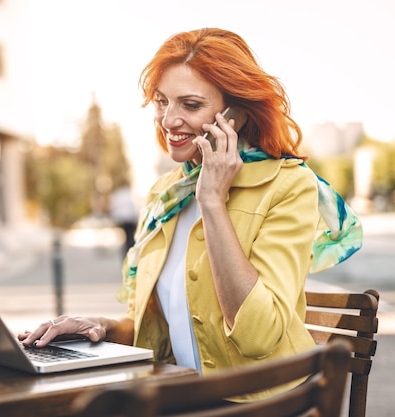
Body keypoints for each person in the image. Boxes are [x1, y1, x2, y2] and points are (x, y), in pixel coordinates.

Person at [18, 28, 362, 401]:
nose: (168, 120)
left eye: (191, 105)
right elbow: (161, 332)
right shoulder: (164, 195)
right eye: (162, 101)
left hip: (265, 405)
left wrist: (213, 202)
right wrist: (98, 326)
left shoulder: (288, 187)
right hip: (186, 396)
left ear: (237, 117)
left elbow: (258, 336)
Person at [109, 181, 139, 258]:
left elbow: (115, 207)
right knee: (130, 237)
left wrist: (116, 218)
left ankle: (128, 253)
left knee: (128, 237)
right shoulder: (129, 194)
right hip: (130, 219)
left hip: (123, 219)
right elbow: (134, 207)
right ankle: (130, 253)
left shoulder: (119, 194)